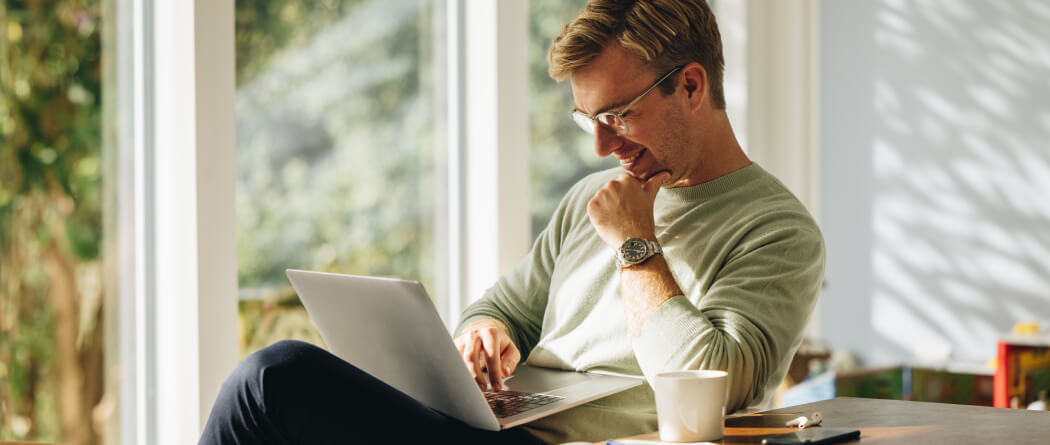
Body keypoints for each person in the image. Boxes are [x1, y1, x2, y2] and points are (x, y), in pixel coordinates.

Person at [199, 0, 824, 443]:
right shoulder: (591, 198)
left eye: (620, 115)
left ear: (690, 85)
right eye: (589, 121)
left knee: (273, 379)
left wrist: (636, 244)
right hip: (493, 426)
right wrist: (483, 331)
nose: (602, 147)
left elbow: (710, 382)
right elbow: (504, 308)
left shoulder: (777, 232)